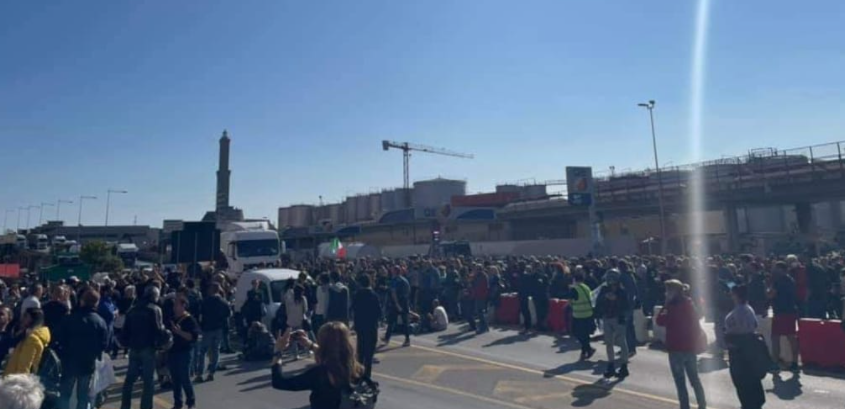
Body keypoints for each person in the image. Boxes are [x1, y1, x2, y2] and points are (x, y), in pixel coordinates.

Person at [271, 323, 365, 409]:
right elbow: (334, 355)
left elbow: (278, 382)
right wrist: (310, 345)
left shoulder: (319, 375)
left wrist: (278, 351)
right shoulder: (357, 369)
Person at [656, 280, 706, 409]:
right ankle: (702, 404)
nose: (666, 293)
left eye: (667, 291)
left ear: (673, 291)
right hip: (689, 346)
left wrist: (665, 305)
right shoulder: (689, 303)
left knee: (680, 382)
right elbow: (696, 324)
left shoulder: (671, 307)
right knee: (694, 379)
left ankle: (685, 406)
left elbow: (659, 321)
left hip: (675, 347)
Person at [56, 290, 109, 409]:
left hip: (69, 360)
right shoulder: (100, 321)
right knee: (83, 395)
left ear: (82, 301)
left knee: (65, 394)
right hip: (87, 363)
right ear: (96, 303)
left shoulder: (70, 318)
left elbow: (60, 337)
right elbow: (104, 344)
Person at [120, 286, 165, 409]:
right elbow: (158, 329)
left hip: (134, 347)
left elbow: (125, 330)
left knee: (129, 379)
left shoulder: (132, 309)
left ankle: (125, 406)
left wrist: (126, 343)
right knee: (148, 380)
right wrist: (162, 343)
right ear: (155, 296)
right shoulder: (155, 309)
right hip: (148, 347)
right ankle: (146, 406)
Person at [725, 285, 765, 409]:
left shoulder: (737, 312)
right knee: (752, 376)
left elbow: (735, 329)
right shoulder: (749, 309)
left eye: (732, 294)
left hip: (738, 348)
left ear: (736, 296)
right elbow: (755, 325)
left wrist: (729, 336)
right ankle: (756, 402)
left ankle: (748, 404)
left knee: (741, 380)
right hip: (751, 346)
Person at [594, 269, 629, 379]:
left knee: (622, 342)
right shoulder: (604, 289)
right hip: (607, 318)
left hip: (618, 318)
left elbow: (626, 305)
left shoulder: (622, 291)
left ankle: (624, 366)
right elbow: (598, 301)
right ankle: (611, 365)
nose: (610, 281)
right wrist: (605, 297)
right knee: (609, 343)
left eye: (612, 278)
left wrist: (616, 299)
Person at [168, 295, 200, 409]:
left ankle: (191, 401)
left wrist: (179, 332)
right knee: (175, 379)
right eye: (174, 305)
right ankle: (178, 403)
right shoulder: (171, 319)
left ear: (183, 306)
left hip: (184, 352)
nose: (174, 307)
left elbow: (192, 337)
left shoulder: (189, 320)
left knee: (184, 378)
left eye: (177, 305)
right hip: (172, 351)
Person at [195, 282, 231, 383]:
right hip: (218, 328)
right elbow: (228, 314)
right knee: (215, 350)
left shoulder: (206, 301)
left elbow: (201, 314)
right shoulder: (223, 301)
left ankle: (200, 373)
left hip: (207, 328)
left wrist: (200, 326)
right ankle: (211, 372)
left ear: (211, 289)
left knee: (203, 351)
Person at [768, 261, 800, 371]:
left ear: (781, 269)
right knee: (791, 337)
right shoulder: (791, 280)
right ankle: (795, 362)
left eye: (776, 268)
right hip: (790, 310)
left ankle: (775, 362)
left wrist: (768, 289)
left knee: (775, 337)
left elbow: (771, 294)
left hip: (780, 312)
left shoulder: (777, 281)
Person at [351, 274, 381, 379]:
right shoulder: (374, 295)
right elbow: (379, 312)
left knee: (361, 352)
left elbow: (353, 310)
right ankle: (367, 375)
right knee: (369, 353)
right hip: (371, 326)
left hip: (360, 326)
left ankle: (359, 374)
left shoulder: (357, 295)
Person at [4, 308, 49, 375]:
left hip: (16, 378)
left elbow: (25, 364)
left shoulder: (32, 339)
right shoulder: (29, 336)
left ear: (33, 319)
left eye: (25, 316)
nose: (22, 319)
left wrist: (19, 380)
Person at [568, 273, 596, 360]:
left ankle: (588, 349)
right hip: (588, 314)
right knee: (585, 334)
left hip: (578, 315)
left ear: (575, 279)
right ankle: (585, 351)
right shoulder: (586, 287)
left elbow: (570, 302)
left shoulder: (574, 289)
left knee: (577, 333)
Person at [383, 267, 411, 347]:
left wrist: (397, 304)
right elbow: (408, 291)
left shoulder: (394, 280)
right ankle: (407, 339)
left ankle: (387, 338)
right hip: (405, 302)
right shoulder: (405, 280)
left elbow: (393, 292)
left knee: (391, 321)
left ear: (395, 272)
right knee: (405, 322)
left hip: (396, 303)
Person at [285, 285, 311, 360]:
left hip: (291, 320)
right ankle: (307, 351)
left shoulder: (289, 299)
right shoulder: (303, 299)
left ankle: (295, 355)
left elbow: (287, 310)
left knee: (293, 338)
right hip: (300, 320)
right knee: (303, 336)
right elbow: (305, 310)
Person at [470, 265, 489, 334]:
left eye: (476, 269)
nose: (475, 270)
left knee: (480, 312)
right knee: (479, 312)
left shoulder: (482, 276)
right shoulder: (477, 276)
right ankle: (485, 326)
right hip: (477, 295)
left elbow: (480, 286)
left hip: (481, 296)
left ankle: (483, 327)